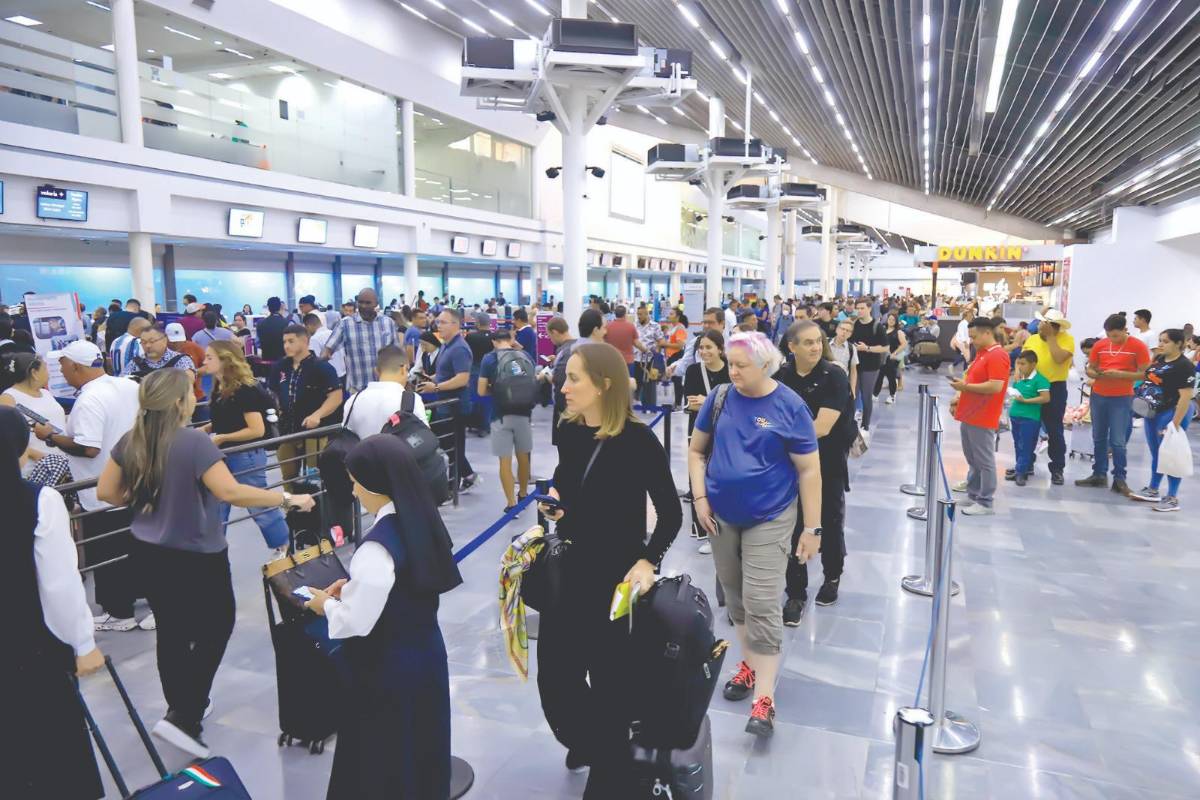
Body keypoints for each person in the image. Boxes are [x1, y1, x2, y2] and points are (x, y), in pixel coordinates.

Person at [97, 369, 314, 758]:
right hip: (197, 554)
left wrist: (149, 498)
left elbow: (106, 491)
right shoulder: (194, 442)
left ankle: (179, 708)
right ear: (180, 402)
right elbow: (229, 490)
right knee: (218, 626)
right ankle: (185, 715)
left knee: (173, 629)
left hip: (147, 551)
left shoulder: (131, 441)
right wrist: (286, 500)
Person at [536, 342, 681, 796]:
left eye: (573, 378)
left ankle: (609, 769)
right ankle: (588, 738)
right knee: (555, 678)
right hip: (570, 572)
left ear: (603, 385)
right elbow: (567, 481)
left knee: (610, 684)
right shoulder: (569, 429)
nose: (563, 387)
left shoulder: (638, 440)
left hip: (616, 580)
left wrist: (647, 559)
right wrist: (559, 504)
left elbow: (671, 513)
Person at [303, 434, 460, 799]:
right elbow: (407, 585)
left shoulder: (377, 546)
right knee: (421, 748)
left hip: (387, 668)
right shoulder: (420, 520)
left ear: (377, 484)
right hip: (427, 656)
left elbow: (357, 621)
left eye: (357, 483)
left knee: (382, 760)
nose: (355, 492)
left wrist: (322, 604)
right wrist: (355, 589)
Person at [688, 332, 821, 737]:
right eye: (730, 363)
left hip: (771, 514)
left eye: (741, 365)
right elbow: (696, 451)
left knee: (763, 599)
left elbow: (809, 470)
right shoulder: (721, 398)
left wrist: (812, 528)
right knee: (736, 598)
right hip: (721, 516)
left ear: (765, 364)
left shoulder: (789, 406)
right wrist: (699, 497)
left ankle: (764, 698)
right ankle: (749, 664)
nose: (732, 371)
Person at [4, 406, 107, 800]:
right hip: (32, 647)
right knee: (51, 751)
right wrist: (83, 644)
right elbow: (59, 583)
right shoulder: (36, 500)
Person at [34, 341, 144, 630]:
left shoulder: (89, 399)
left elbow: (89, 447)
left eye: (63, 365)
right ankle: (134, 599)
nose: (60, 370)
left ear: (77, 366)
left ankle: (119, 613)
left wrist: (50, 436)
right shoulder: (127, 386)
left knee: (108, 552)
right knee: (133, 546)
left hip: (102, 488)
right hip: (134, 481)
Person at [777, 321, 854, 625]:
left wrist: (777, 433)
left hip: (827, 464)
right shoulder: (781, 376)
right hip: (789, 465)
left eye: (818, 342)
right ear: (791, 347)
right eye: (806, 343)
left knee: (828, 523)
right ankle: (795, 592)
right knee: (793, 526)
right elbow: (763, 417)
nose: (815, 347)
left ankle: (832, 576)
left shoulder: (834, 375)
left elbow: (821, 427)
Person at [201, 341, 291, 553]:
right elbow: (230, 418)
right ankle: (214, 548)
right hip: (227, 454)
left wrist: (221, 438)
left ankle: (283, 546)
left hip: (244, 454)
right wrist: (206, 430)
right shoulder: (220, 387)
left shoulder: (244, 390)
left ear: (225, 360)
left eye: (209, 357)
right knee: (218, 502)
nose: (204, 361)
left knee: (259, 503)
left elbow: (256, 430)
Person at [1077, 313, 1152, 495]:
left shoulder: (1137, 346)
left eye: (1116, 336)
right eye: (1109, 335)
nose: (1112, 339)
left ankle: (1120, 478)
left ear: (1125, 330)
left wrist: (1122, 375)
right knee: (1098, 436)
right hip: (1099, 395)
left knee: (1118, 440)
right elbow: (1091, 367)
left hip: (1122, 397)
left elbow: (1145, 374)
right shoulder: (1101, 345)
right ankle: (1099, 474)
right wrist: (1095, 373)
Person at [948, 318, 1011, 516]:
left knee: (984, 460)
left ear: (987, 333)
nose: (972, 341)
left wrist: (964, 387)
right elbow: (971, 377)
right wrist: (959, 396)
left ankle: (985, 501)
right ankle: (973, 494)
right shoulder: (983, 354)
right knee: (972, 458)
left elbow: (995, 386)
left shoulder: (997, 355)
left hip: (983, 416)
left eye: (974, 337)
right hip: (970, 414)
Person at [1130, 329, 1196, 512]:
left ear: (1178, 344)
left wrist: (1174, 424)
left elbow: (1185, 397)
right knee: (1156, 452)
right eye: (1160, 340)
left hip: (1172, 411)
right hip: (1153, 411)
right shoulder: (1159, 359)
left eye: (1165, 341)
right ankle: (1153, 489)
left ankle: (1172, 498)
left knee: (1171, 453)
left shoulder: (1184, 366)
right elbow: (1147, 379)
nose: (1160, 344)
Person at [271, 324, 342, 490]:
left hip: (314, 433)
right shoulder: (280, 367)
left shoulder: (322, 367)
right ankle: (292, 513)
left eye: (291, 341)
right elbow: (273, 392)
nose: (286, 346)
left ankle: (319, 513)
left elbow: (336, 397)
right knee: (287, 477)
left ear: (305, 341)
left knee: (315, 476)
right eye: (284, 342)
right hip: (287, 430)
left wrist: (318, 414)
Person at [416, 309, 476, 490]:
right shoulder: (446, 345)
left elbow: (462, 378)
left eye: (442, 322)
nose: (438, 326)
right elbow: (446, 373)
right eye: (438, 322)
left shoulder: (459, 348)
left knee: (454, 446)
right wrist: (433, 378)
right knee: (448, 443)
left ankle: (454, 484)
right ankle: (465, 475)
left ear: (455, 325)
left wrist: (435, 387)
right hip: (445, 405)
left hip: (455, 406)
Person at [477, 330, 535, 512]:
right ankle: (524, 494)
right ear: (510, 339)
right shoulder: (524, 356)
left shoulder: (489, 359)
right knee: (524, 457)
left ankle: (511, 503)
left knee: (505, 461)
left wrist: (494, 392)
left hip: (500, 415)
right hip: (524, 414)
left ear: (493, 341)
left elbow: (480, 391)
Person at [682, 329, 728, 552]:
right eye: (701, 347)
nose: (704, 351)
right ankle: (705, 530)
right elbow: (690, 402)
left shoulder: (730, 370)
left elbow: (734, 402)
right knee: (698, 479)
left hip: (726, 433)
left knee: (721, 478)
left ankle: (724, 529)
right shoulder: (693, 371)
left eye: (709, 347)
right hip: (699, 432)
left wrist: (706, 402)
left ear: (720, 349)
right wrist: (714, 403)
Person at [1, 352, 73, 489]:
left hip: (62, 464)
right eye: (45, 368)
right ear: (34, 373)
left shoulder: (46, 393)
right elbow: (6, 439)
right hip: (35, 468)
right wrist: (38, 455)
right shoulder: (9, 397)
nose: (49, 373)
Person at [1020, 309, 1074, 484]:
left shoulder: (1067, 340)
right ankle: (1025, 463)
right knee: (1029, 427)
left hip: (1054, 388)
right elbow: (1023, 359)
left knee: (1054, 429)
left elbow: (1059, 359)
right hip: (1031, 386)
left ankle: (1057, 468)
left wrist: (1051, 338)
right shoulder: (1032, 339)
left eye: (1045, 325)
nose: (1040, 327)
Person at [343, 345, 428, 440]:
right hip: (398, 454)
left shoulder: (353, 401)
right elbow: (425, 436)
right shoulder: (412, 400)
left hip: (362, 454)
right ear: (403, 369)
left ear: (376, 371)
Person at [323, 288, 398, 394]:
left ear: (376, 304)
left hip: (385, 388)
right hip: (358, 390)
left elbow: (397, 353)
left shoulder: (388, 323)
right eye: (361, 302)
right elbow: (328, 349)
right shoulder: (345, 324)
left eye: (368, 303)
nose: (363, 306)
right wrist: (318, 363)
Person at [1008, 350, 1051, 486]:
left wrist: (1026, 401)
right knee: (1017, 444)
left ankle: (1021, 473)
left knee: (1026, 445)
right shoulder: (1019, 379)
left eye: (1023, 364)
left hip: (1030, 418)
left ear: (1033, 364)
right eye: (1018, 363)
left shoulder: (1040, 380)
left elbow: (1045, 398)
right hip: (1015, 416)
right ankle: (1020, 468)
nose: (1020, 367)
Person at [851, 299, 888, 432]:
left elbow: (885, 347)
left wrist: (867, 348)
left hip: (871, 366)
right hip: (855, 364)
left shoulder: (877, 326)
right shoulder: (854, 324)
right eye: (857, 308)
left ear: (869, 308)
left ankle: (865, 426)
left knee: (866, 395)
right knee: (852, 394)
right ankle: (851, 424)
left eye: (862, 308)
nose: (859, 311)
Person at [545, 315, 578, 445]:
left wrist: (546, 376)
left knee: (565, 448)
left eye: (550, 336)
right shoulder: (574, 347)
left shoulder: (566, 351)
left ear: (555, 332)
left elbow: (559, 380)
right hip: (572, 406)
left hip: (564, 407)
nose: (551, 340)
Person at [123, 324, 196, 381]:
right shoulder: (135, 363)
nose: (148, 346)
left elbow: (187, 383)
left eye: (152, 341)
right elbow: (122, 382)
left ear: (165, 340)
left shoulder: (181, 360)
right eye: (143, 342)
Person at [465, 311, 495, 435]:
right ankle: (485, 426)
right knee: (487, 399)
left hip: (474, 370)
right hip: (491, 371)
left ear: (477, 323)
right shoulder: (494, 337)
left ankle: (473, 424)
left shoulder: (471, 337)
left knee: (474, 398)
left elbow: (466, 355)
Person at [165, 323, 207, 402]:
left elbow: (208, 365)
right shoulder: (162, 350)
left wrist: (194, 372)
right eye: (173, 341)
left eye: (179, 340)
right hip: (170, 398)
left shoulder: (193, 347)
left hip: (195, 395)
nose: (176, 343)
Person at [873, 311, 908, 404]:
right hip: (882, 356)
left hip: (892, 358)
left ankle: (892, 395)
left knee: (891, 376)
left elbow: (904, 344)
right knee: (879, 376)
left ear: (896, 321)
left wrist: (895, 353)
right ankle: (875, 394)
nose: (891, 321)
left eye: (893, 319)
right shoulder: (883, 330)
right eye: (889, 319)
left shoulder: (898, 332)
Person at [304, 312, 345, 385]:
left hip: (328, 377)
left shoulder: (314, 339)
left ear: (308, 326)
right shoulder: (333, 333)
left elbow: (315, 361)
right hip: (342, 374)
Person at [603, 305, 642, 379]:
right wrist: (645, 350)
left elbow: (603, 342)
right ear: (625, 314)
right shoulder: (631, 326)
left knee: (614, 384)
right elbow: (636, 343)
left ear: (615, 314)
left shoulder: (607, 326)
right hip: (628, 362)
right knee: (628, 385)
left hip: (612, 361)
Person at [828, 318, 860, 396]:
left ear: (850, 334)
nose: (844, 332)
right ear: (837, 330)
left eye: (848, 331)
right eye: (842, 329)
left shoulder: (851, 348)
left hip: (842, 384)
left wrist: (852, 389)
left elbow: (853, 371)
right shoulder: (826, 343)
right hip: (825, 382)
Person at [256, 297, 289, 363]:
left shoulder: (260, 323)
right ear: (280, 307)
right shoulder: (287, 323)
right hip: (283, 361)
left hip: (266, 360)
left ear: (268, 308)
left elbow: (257, 343)